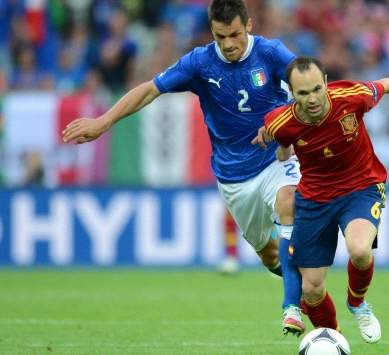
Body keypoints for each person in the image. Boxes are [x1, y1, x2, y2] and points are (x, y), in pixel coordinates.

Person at [62, 0, 305, 335]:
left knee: (289, 201)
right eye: (221, 37)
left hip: (276, 161)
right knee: (268, 254)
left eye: (235, 34)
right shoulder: (200, 62)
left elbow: (311, 83)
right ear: (212, 32)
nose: (229, 44)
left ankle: (292, 307)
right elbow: (150, 90)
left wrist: (285, 123)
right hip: (234, 178)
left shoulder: (271, 53)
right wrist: (104, 122)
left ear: (248, 25)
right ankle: (299, 282)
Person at [253, 57, 389, 343]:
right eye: (302, 93)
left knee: (360, 250)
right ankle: (334, 338)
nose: (312, 99)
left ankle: (357, 303)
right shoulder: (280, 122)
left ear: (325, 83)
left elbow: (384, 85)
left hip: (361, 187)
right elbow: (282, 141)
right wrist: (281, 151)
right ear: (292, 94)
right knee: (311, 290)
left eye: (316, 89)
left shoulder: (351, 96)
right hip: (314, 198)